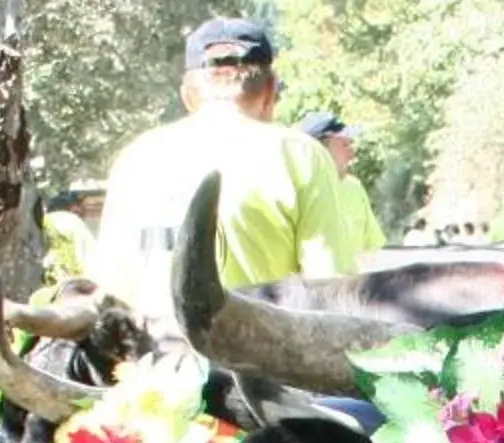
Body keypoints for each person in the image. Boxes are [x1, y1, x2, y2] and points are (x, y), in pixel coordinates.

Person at [88, 18, 366, 336]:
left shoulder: (136, 157)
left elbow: (112, 292)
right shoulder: (300, 154)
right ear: (271, 90)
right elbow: (330, 290)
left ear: (188, 95)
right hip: (260, 371)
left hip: (158, 370)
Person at [297, 109, 387, 255]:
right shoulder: (295, 192)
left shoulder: (354, 188)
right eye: (345, 145)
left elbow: (373, 250)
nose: (352, 154)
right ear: (319, 150)